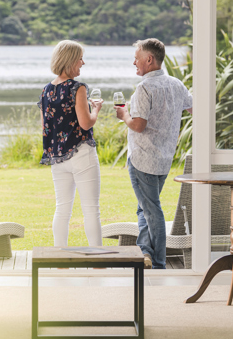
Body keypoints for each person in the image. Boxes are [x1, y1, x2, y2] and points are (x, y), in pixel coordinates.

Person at [115, 38, 193, 269]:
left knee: (152, 210)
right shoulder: (177, 84)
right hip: (164, 159)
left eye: (137, 58)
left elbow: (138, 125)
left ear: (149, 59)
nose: (134, 63)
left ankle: (158, 262)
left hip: (143, 159)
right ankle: (145, 252)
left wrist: (124, 116)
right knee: (145, 207)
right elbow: (193, 106)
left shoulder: (144, 87)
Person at [37, 40, 103, 247]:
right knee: (91, 209)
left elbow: (45, 127)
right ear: (70, 60)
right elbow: (85, 124)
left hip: (58, 158)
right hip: (81, 154)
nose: (82, 63)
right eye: (80, 58)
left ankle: (59, 259)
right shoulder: (78, 88)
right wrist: (96, 110)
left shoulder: (46, 90)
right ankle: (97, 259)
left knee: (62, 209)